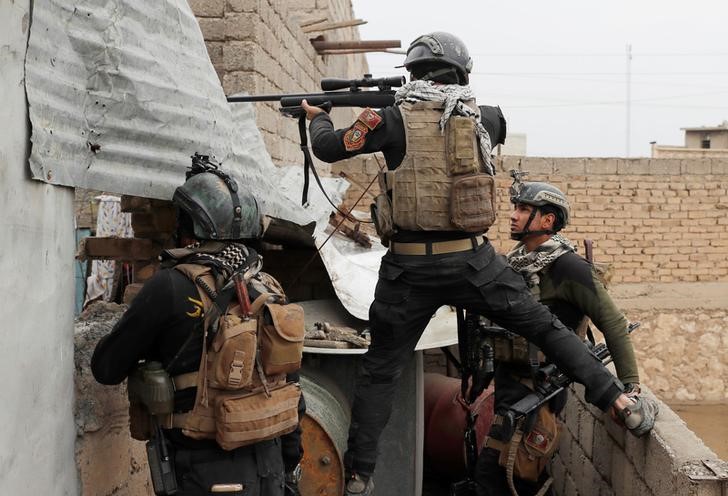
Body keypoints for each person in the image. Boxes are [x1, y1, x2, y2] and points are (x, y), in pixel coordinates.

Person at [301, 32, 655, 496]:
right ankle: (620, 402)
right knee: (548, 329)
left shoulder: (386, 119)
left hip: (408, 269)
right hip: (472, 261)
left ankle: (358, 475)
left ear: (413, 73)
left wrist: (318, 117)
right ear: (463, 73)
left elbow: (328, 147)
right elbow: (488, 124)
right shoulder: (484, 118)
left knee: (381, 370)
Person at [91, 156, 304, 496]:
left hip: (202, 473)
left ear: (188, 226)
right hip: (270, 466)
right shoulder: (268, 289)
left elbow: (105, 367)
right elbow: (290, 386)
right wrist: (290, 468)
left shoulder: (170, 286)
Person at [473, 180, 655, 496]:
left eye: (525, 209)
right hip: (509, 389)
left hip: (537, 394)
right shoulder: (517, 261)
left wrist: (629, 387)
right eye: (516, 207)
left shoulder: (569, 266)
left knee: (506, 477)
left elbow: (613, 325)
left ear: (548, 220)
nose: (514, 215)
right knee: (502, 478)